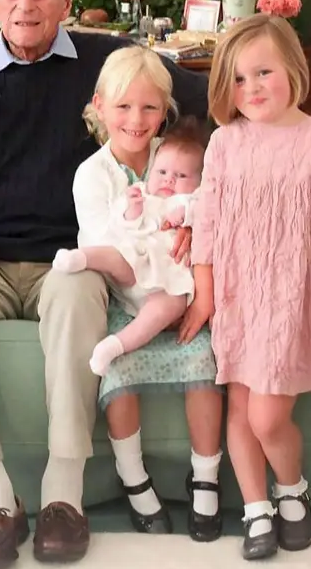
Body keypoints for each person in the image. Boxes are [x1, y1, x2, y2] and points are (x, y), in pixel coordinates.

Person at [0, 0, 210, 567]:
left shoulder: (107, 63)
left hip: (67, 263)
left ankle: (62, 495)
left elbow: (202, 101)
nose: (26, 4)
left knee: (77, 289)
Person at [181, 14, 311, 560]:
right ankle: (259, 508)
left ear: (293, 66)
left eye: (263, 72)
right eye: (238, 79)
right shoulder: (225, 144)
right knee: (240, 412)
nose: (252, 88)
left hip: (294, 300)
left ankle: (294, 488)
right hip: (240, 297)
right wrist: (207, 292)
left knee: (267, 416)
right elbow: (208, 228)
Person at [60, 47, 224, 542]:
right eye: (125, 107)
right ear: (100, 107)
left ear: (165, 111)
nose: (137, 120)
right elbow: (103, 245)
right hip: (125, 296)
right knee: (117, 374)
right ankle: (135, 482)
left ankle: (206, 481)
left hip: (178, 291)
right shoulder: (93, 175)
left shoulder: (174, 156)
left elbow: (208, 207)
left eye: (150, 108)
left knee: (203, 365)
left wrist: (195, 238)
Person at [54, 114, 208, 376]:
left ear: (198, 182)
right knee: (116, 256)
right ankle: (79, 258)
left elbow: (207, 212)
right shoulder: (143, 194)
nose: (169, 180)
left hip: (170, 281)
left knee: (168, 307)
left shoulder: (192, 201)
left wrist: (186, 217)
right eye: (162, 172)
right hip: (136, 262)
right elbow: (121, 226)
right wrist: (132, 210)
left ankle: (115, 346)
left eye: (181, 175)